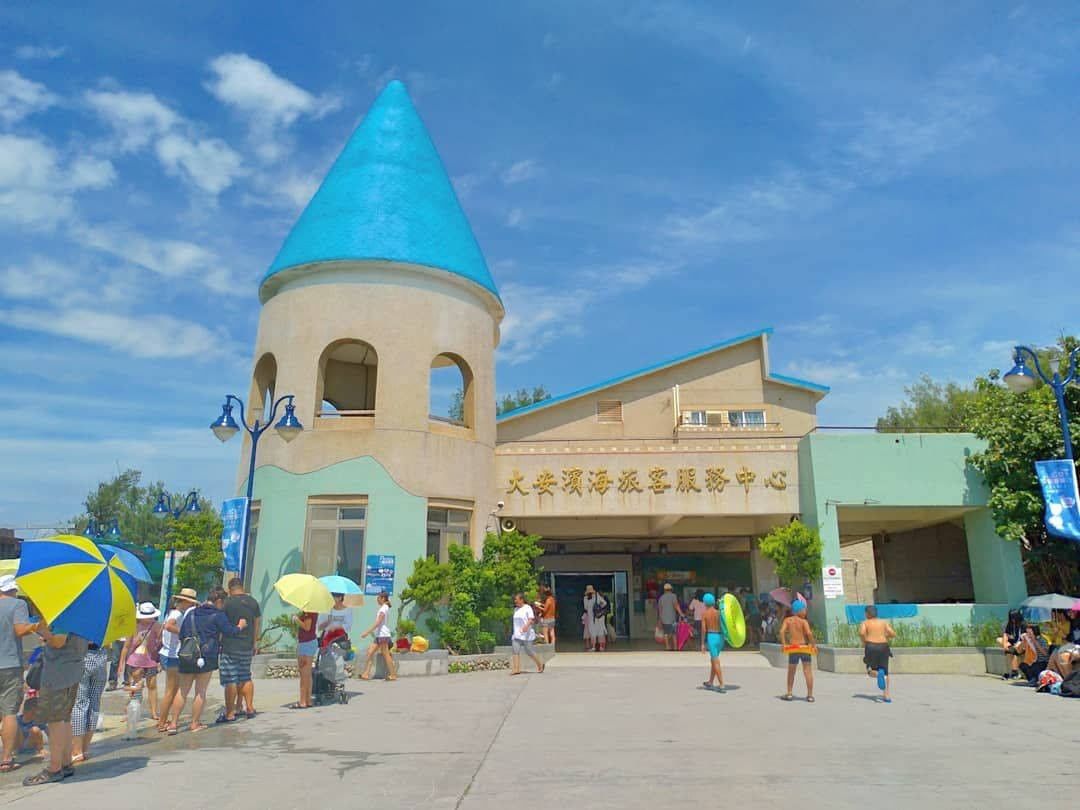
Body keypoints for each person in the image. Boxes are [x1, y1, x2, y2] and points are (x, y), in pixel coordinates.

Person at [166, 588, 246, 735]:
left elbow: (182, 633)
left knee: (182, 691)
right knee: (200, 691)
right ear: (219, 601)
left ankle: (173, 724)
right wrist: (240, 626)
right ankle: (194, 723)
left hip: (187, 655)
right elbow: (230, 631)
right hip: (206, 656)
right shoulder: (218, 615)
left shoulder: (191, 613)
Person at [22, 623, 88, 786]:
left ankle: (54, 768)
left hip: (58, 674)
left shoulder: (63, 617)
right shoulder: (81, 617)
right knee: (64, 718)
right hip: (72, 670)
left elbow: (58, 641)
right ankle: (65, 763)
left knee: (55, 720)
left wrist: (41, 630)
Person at [0, 575, 35, 772]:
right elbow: (20, 630)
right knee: (9, 713)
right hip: (10, 665)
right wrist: (36, 626)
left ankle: (12, 749)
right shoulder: (18, 604)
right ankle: (6, 759)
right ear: (13, 590)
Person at [219, 577, 261, 723]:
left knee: (230, 679)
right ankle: (249, 708)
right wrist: (254, 642)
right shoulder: (253, 602)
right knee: (245, 676)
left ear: (230, 589)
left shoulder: (227, 603)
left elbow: (221, 624)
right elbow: (257, 623)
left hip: (230, 645)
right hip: (247, 645)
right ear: (241, 587)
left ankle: (230, 713)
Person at [116, 603, 162, 721]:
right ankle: (130, 711)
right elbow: (126, 646)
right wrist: (121, 663)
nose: (149, 618)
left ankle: (153, 712)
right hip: (135, 660)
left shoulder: (157, 626)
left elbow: (161, 643)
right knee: (135, 687)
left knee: (152, 686)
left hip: (151, 659)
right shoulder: (133, 627)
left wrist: (159, 660)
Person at [156, 590, 194, 733]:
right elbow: (168, 626)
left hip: (167, 653)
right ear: (185, 602)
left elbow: (163, 628)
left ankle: (163, 720)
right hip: (173, 655)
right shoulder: (177, 614)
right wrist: (184, 633)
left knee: (171, 690)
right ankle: (162, 722)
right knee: (171, 691)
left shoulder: (171, 612)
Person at [69, 640, 110, 765]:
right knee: (94, 704)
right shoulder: (102, 626)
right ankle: (85, 748)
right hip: (101, 656)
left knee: (79, 704)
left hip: (84, 657)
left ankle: (77, 751)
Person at [780, 599, 816, 703]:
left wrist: (784, 644)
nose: (805, 611)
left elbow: (782, 631)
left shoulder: (788, 620)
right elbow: (809, 633)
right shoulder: (804, 622)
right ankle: (810, 695)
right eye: (804, 609)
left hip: (793, 648)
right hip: (804, 648)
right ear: (798, 610)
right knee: (807, 671)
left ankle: (789, 693)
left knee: (791, 671)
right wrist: (813, 645)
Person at [859, 605, 896, 703]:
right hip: (883, 647)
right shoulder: (883, 622)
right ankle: (886, 696)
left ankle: (878, 674)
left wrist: (864, 641)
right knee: (885, 671)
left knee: (870, 670)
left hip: (871, 646)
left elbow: (862, 633)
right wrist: (885, 636)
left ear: (867, 614)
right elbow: (893, 633)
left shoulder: (865, 623)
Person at [359, 591, 397, 681]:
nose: (377, 600)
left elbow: (378, 622)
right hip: (379, 635)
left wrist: (367, 632)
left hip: (383, 635)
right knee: (370, 652)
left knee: (386, 654)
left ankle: (393, 675)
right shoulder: (383, 608)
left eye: (378, 598)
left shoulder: (384, 608)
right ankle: (366, 674)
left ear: (383, 598)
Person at [510, 593, 544, 675]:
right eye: (515, 600)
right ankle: (516, 669)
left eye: (516, 599)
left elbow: (531, 619)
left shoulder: (527, 608)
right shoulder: (516, 609)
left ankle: (540, 664)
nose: (515, 601)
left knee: (529, 651)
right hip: (517, 634)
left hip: (526, 634)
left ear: (521, 600)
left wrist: (526, 626)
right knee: (515, 650)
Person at [289, 610, 318, 708]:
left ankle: (302, 701)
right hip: (308, 642)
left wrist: (297, 619)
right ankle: (308, 700)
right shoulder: (310, 612)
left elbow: (307, 627)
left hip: (306, 643)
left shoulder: (309, 612)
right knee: (307, 674)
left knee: (304, 674)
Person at [700, 593, 725, 692]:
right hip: (720, 637)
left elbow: (703, 630)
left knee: (715, 661)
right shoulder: (719, 613)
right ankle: (710, 682)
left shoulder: (705, 614)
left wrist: (702, 643)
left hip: (712, 637)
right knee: (714, 660)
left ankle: (722, 685)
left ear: (705, 603)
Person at [997, 610, 1026, 681]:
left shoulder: (1023, 624)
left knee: (1011, 652)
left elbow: (1024, 637)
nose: (1012, 620)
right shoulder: (1010, 624)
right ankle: (1013, 672)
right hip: (1012, 643)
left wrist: (1017, 643)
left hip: (1020, 643)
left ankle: (1012, 672)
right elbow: (1005, 634)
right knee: (999, 640)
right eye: (1011, 618)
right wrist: (1004, 644)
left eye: (1014, 618)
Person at [657, 583, 684, 651]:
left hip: (664, 619)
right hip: (672, 619)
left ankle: (667, 647)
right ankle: (675, 647)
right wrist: (681, 614)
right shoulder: (673, 596)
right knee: (674, 633)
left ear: (664, 590)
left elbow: (660, 610)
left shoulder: (661, 598)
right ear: (671, 589)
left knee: (666, 633)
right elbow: (676, 605)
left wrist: (660, 620)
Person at [583, 585, 609, 652]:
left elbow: (585, 608)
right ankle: (601, 647)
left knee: (593, 632)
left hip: (591, 618)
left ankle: (593, 647)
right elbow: (604, 603)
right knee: (600, 632)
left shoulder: (585, 598)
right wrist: (599, 608)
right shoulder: (597, 596)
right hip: (598, 617)